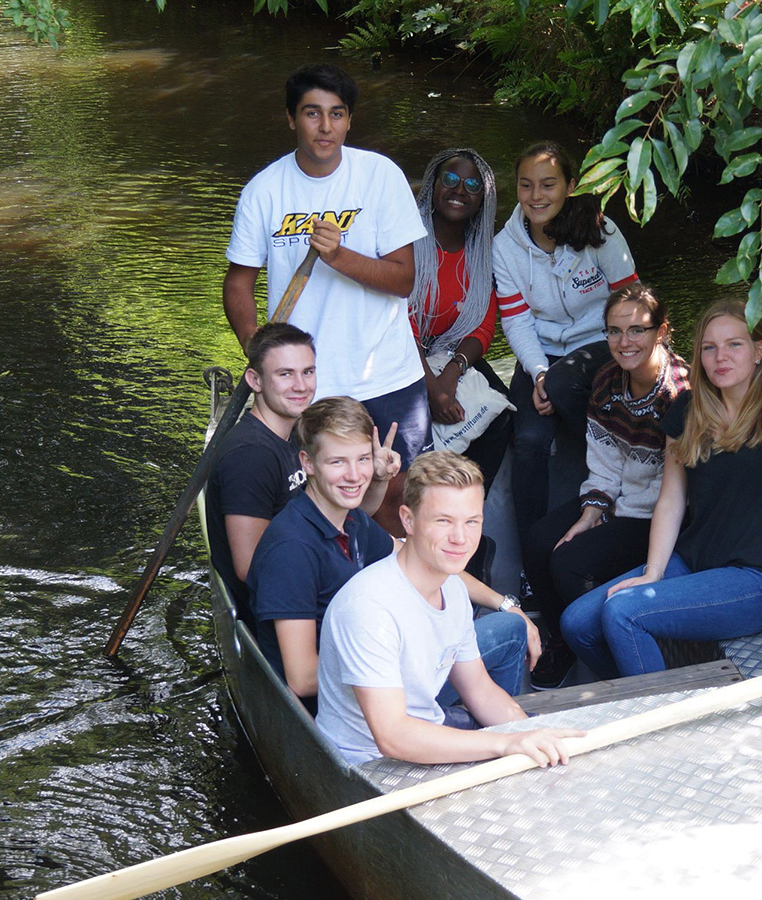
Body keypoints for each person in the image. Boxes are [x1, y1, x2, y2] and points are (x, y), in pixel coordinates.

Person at [560, 295, 762, 679]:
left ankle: (659, 718)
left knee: (624, 613)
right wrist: (653, 572)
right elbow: (671, 500)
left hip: (759, 580)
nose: (720, 357)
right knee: (576, 623)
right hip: (693, 563)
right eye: (709, 348)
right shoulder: (689, 409)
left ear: (760, 350)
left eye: (734, 345)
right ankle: (638, 689)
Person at [223, 63, 431, 535]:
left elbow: (403, 281)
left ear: (349, 120)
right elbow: (238, 284)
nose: (325, 126)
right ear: (291, 119)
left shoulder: (380, 176)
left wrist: (339, 256)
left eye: (336, 114)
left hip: (388, 375)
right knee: (325, 509)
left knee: (397, 502)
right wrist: (259, 352)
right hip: (311, 385)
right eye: (312, 113)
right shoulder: (263, 191)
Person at [248, 399, 539, 715]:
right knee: (508, 635)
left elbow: (429, 560)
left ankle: (486, 722)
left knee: (510, 624)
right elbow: (302, 679)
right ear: (308, 463)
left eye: (362, 459)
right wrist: (404, 659)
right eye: (337, 462)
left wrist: (507, 604)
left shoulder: (350, 519)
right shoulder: (292, 548)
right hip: (349, 704)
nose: (355, 474)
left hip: (383, 673)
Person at [316, 451, 583, 766]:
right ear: (408, 520)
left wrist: (526, 734)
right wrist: (504, 744)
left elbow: (480, 691)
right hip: (368, 766)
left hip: (426, 733)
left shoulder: (453, 588)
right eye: (443, 521)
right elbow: (392, 736)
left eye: (472, 521)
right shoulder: (369, 608)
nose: (460, 538)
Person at [521, 284, 689, 688]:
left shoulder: (679, 392)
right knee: (540, 539)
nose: (623, 342)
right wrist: (592, 513)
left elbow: (676, 486)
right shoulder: (607, 382)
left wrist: (610, 520)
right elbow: (604, 463)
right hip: (616, 502)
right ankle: (563, 644)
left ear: (661, 331)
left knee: (570, 562)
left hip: (657, 512)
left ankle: (607, 655)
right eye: (614, 331)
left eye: (637, 330)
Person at [492, 141, 639, 539]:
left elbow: (630, 299)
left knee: (562, 384)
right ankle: (531, 547)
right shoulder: (505, 247)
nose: (536, 196)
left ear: (570, 185)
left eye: (548, 184)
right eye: (526, 186)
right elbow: (517, 321)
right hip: (543, 353)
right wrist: (539, 373)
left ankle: (621, 461)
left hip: (603, 346)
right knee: (527, 439)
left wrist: (632, 355)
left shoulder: (599, 229)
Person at [409, 148, 511, 491]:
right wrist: (431, 385)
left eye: (472, 185)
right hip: (401, 354)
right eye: (450, 180)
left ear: (483, 200)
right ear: (433, 186)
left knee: (504, 418)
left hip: (451, 354)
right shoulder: (406, 242)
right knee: (413, 428)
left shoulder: (482, 252)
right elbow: (398, 320)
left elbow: (482, 326)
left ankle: (467, 510)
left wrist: (451, 374)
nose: (459, 190)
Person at [205, 323, 317, 635]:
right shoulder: (250, 455)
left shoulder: (297, 431)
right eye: (285, 374)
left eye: (308, 372)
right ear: (255, 380)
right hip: (278, 613)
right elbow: (250, 566)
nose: (301, 385)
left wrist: (375, 479)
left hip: (303, 577)